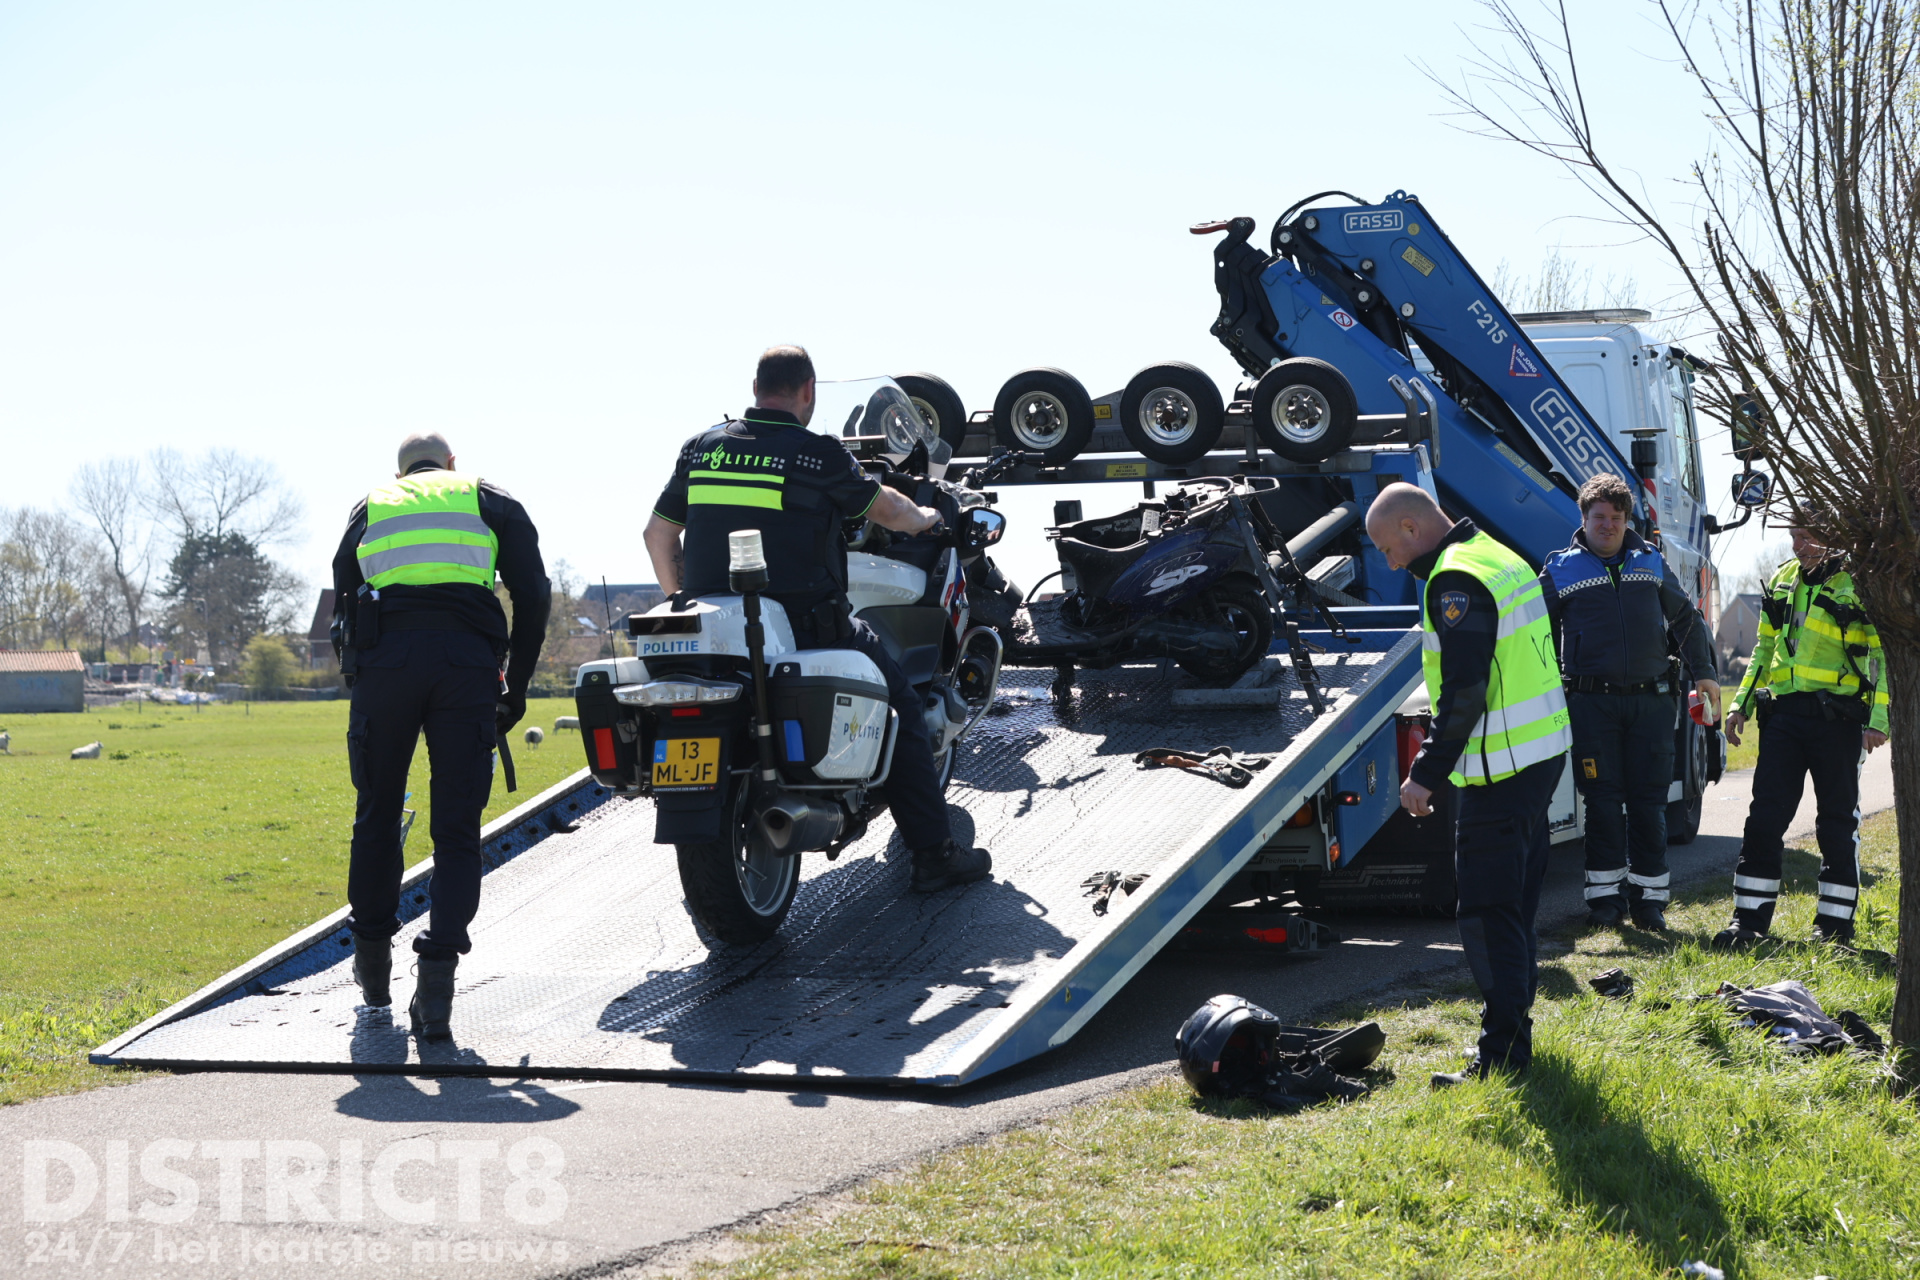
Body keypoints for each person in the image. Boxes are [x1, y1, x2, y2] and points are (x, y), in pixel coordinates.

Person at [639, 345, 991, 891]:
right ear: (808, 391)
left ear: (755, 389)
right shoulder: (816, 453)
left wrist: (686, 601)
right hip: (807, 626)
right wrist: (926, 517)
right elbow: (888, 510)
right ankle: (934, 855)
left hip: (717, 634)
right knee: (900, 706)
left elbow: (658, 535)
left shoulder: (702, 448)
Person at [331, 433, 550, 1038]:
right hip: (465, 670)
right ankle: (436, 988)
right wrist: (516, 687)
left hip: (386, 667)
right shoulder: (489, 500)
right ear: (452, 465)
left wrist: (360, 672)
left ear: (400, 473)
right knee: (457, 829)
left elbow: (344, 595)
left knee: (377, 814)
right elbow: (534, 595)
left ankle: (373, 969)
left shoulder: (372, 506)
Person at [1365, 482, 1571, 1086]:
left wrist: (1425, 774)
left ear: (1411, 528)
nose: (1390, 563)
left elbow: (1464, 692)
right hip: (1538, 758)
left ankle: (1502, 1059)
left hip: (1499, 771)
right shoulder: (1498, 555)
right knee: (1514, 909)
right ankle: (1514, 1039)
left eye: (1388, 548)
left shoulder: (1454, 580)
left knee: (1487, 914)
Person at [1540, 473, 1719, 932]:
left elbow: (1686, 619)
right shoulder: (1559, 569)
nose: (1608, 525)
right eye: (1599, 517)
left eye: (1616, 517)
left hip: (1651, 704)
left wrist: (1704, 672)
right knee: (1602, 804)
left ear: (1627, 520)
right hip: (1591, 705)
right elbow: (1536, 635)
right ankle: (1605, 901)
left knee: (1649, 804)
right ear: (1584, 519)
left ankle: (1649, 901)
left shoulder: (1651, 561)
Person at [1714, 516, 1889, 948]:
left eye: (1807, 537)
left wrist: (1877, 720)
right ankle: (1747, 923)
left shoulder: (1857, 584)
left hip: (1838, 721)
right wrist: (1740, 705)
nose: (1798, 546)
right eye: (1793, 537)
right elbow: (1764, 648)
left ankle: (1834, 930)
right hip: (1784, 718)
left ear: (1833, 535)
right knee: (1764, 820)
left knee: (1836, 824)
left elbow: (1881, 656)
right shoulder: (1783, 579)